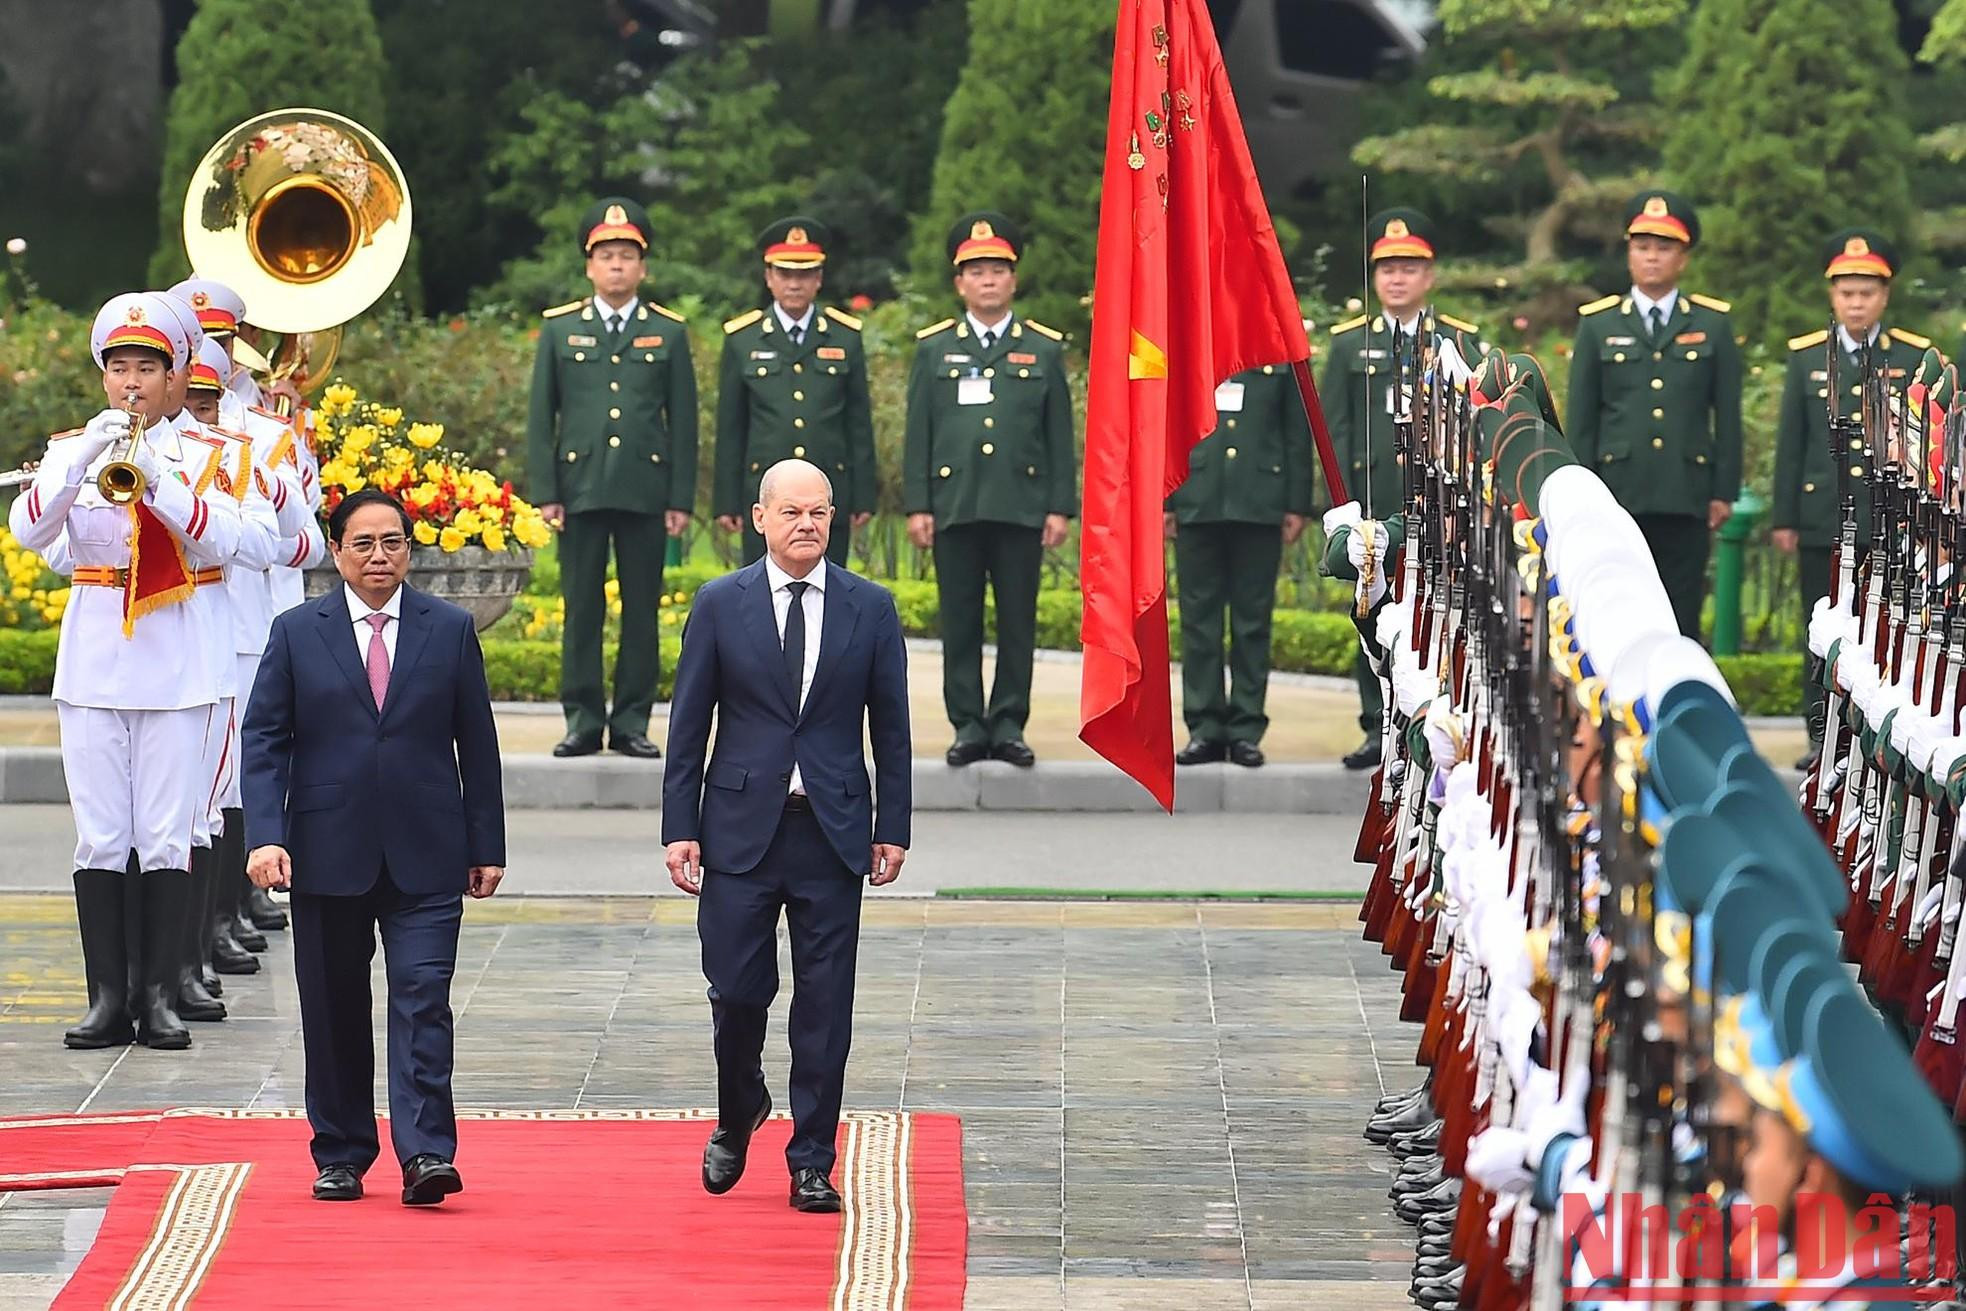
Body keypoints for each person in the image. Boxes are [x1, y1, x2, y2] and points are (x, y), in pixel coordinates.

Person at [242, 488, 506, 1206]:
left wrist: (487, 843)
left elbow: (476, 744)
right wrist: (265, 835)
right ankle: (342, 1151)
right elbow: (264, 738)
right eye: (363, 543)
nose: (379, 555)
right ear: (336, 551)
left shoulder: (448, 629)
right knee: (333, 1007)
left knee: (424, 997)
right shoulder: (298, 632)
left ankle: (425, 1153)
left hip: (428, 850)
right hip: (326, 851)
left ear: (409, 550)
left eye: (392, 542)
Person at [662, 458, 911, 1213]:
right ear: (759, 517)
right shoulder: (719, 602)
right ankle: (740, 1109)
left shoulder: (869, 607)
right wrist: (680, 828)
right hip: (737, 830)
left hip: (831, 832)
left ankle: (811, 1157)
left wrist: (891, 825)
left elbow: (892, 730)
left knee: (825, 1003)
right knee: (737, 992)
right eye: (793, 511)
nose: (808, 524)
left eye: (821, 512)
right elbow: (688, 724)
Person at [7, 291, 243, 1050]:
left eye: (148, 367)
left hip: (177, 663)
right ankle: (108, 998)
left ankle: (161, 994)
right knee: (103, 836)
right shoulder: (74, 446)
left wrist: (156, 477)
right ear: (103, 376)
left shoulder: (205, 453)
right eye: (120, 368)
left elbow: (226, 542)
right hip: (95, 660)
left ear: (176, 378)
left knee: (168, 834)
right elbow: (29, 528)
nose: (133, 382)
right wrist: (84, 457)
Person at [525, 196, 698, 760]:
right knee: (581, 609)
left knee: (643, 610)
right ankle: (581, 718)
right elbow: (540, 418)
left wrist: (679, 497)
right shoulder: (560, 330)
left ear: (643, 267)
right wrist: (546, 492)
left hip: (645, 493)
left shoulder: (668, 333)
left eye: (627, 255)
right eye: (607, 256)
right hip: (579, 492)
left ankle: (631, 721)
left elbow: (685, 422)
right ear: (589, 266)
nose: (617, 266)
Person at [904, 211, 1076, 768]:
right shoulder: (934, 349)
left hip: (1021, 506)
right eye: (975, 271)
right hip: (954, 506)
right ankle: (967, 725)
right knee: (959, 620)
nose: (987, 280)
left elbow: (1057, 433)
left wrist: (1058, 506)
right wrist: (918, 504)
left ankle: (1008, 722)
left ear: (1013, 279)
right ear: (959, 283)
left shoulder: (1043, 348)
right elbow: (919, 431)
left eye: (997, 270)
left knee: (1017, 621)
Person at [1320, 209, 1485, 770]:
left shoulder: (1459, 344)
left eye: (1409, 267)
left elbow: (1473, 429)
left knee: (1436, 613)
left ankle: (1431, 718)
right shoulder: (1349, 346)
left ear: (1429, 276)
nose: (1397, 278)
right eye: (1387, 267)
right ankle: (1377, 725)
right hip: (1373, 505)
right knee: (1372, 610)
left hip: (1434, 507)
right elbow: (1335, 431)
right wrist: (1338, 511)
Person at [1771, 229, 1929, 769]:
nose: (1856, 302)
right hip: (1822, 518)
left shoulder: (1910, 357)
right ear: (1832, 296)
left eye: (1867, 291)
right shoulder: (1804, 359)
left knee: (1885, 631)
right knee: (1821, 630)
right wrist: (1784, 517)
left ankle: (1878, 740)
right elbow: (1790, 446)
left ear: (1884, 295)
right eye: (1846, 292)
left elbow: (1922, 444)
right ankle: (1822, 737)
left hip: (1889, 520)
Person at [1567, 189, 1743, 642]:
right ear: (1628, 253)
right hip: (1616, 491)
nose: (1651, 257)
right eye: (1642, 246)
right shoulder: (1598, 324)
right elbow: (1584, 419)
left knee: (1679, 613)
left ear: (1683, 258)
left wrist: (1723, 491)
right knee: (1614, 608)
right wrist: (1583, 493)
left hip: (1687, 492)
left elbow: (1726, 415)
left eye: (1664, 247)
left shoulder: (1713, 324)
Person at [1167, 365, 1314, 769]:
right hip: (1196, 497)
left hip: (1259, 499)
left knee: (1253, 623)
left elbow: (1295, 433)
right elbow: (1165, 423)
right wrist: (1165, 499)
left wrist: (1297, 503)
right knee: (1199, 622)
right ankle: (1204, 727)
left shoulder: (1273, 354)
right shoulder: (1188, 346)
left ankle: (1246, 728)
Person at [716, 217, 876, 566]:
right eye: (784, 273)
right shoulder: (743, 339)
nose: (794, 283)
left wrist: (863, 495)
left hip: (826, 495)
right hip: (764, 493)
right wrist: (727, 500)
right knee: (760, 596)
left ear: (818, 279)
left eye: (804, 274)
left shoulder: (844, 336)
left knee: (829, 592)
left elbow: (858, 421)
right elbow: (731, 426)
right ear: (768, 277)